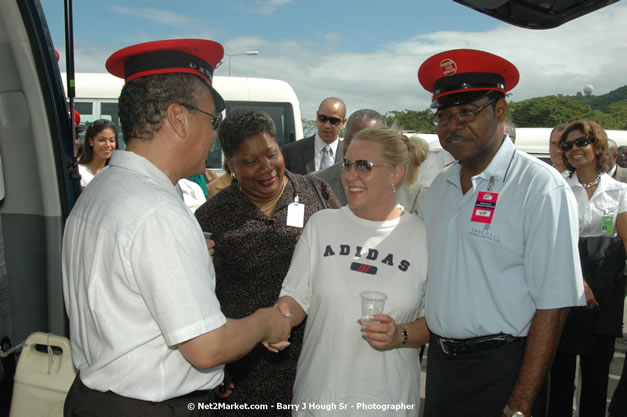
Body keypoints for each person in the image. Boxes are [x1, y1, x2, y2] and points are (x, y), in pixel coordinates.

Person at [62, 39, 291, 417]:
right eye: (212, 120)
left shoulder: (102, 190)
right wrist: (266, 322)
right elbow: (207, 347)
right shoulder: (157, 212)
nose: (215, 135)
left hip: (97, 398)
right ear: (178, 118)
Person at [416, 49, 585, 417]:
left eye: (467, 112)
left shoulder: (538, 187)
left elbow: (554, 306)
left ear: (501, 111)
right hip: (442, 369)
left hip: (506, 369)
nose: (452, 125)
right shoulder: (441, 187)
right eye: (444, 116)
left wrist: (521, 404)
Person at [275, 125, 430, 416]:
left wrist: (400, 335)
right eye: (347, 163)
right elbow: (295, 298)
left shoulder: (424, 238)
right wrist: (276, 320)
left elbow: (436, 322)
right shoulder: (322, 225)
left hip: (388, 403)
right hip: (319, 400)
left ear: (395, 173)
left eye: (364, 166)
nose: (350, 175)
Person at [194, 108, 340, 415]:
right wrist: (218, 366)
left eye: (271, 154)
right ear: (230, 165)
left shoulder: (317, 193)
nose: (266, 168)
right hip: (244, 367)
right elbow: (199, 297)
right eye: (249, 161)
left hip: (316, 358)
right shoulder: (212, 216)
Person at [548, 119, 627, 417]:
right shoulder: (558, 190)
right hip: (566, 288)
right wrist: (578, 281)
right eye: (567, 146)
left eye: (582, 142)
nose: (574, 150)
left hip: (605, 294)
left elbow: (624, 240)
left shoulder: (619, 192)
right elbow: (554, 243)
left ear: (597, 145)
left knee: (596, 377)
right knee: (560, 375)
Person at [315, 109, 387, 204]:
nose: (356, 148)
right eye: (350, 140)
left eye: (367, 142)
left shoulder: (406, 185)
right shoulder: (316, 183)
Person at [282, 97, 346, 174]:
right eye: (322, 118)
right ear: (316, 116)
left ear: (343, 122)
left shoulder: (349, 155)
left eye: (333, 121)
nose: (327, 125)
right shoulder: (292, 152)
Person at [77, 119, 118, 189]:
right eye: (102, 140)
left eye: (111, 140)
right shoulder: (78, 172)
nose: (108, 145)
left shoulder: (117, 174)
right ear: (90, 140)